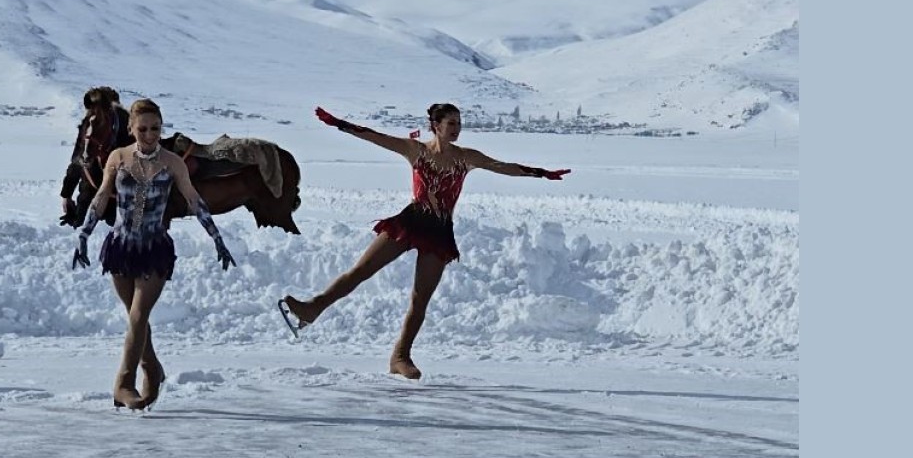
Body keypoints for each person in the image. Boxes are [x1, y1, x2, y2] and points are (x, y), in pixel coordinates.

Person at [279, 103, 571, 380]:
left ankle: (400, 356)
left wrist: (541, 173)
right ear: (436, 125)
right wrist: (338, 124)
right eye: (451, 123)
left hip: (439, 231)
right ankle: (313, 308)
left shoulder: (465, 157)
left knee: (420, 299)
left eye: (460, 122)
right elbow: (373, 136)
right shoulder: (415, 150)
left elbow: (502, 166)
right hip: (411, 221)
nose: (457, 128)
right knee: (360, 272)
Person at [73, 98, 237, 411]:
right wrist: (84, 233)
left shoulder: (172, 162)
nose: (150, 134)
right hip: (121, 248)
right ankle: (152, 368)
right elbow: (101, 195)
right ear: (132, 129)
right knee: (136, 319)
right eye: (143, 129)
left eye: (156, 128)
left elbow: (193, 199)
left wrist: (217, 238)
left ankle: (123, 382)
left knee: (138, 315)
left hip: (154, 249)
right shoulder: (117, 157)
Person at [59, 86, 135, 228]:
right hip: (90, 191)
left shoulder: (130, 128)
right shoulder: (88, 127)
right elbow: (77, 160)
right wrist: (67, 195)